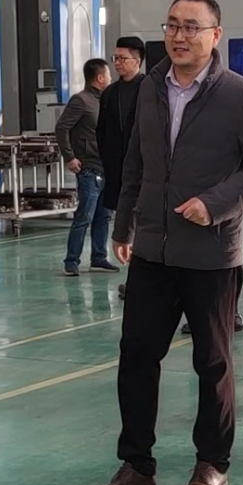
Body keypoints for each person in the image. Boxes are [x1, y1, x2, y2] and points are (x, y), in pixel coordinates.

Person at [88, 0, 243, 485]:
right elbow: (136, 162)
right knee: (137, 357)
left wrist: (215, 204)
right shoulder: (150, 89)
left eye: (191, 27)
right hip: (153, 250)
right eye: (172, 25)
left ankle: (212, 464)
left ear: (215, 35)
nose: (179, 35)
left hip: (211, 253)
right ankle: (137, 468)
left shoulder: (240, 96)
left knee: (212, 362)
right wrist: (124, 225)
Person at [56, 57, 116, 277]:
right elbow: (62, 128)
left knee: (103, 216)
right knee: (84, 216)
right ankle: (71, 261)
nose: (110, 78)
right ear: (100, 77)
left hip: (105, 167)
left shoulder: (105, 101)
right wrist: (70, 157)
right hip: (88, 168)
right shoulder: (81, 101)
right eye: (108, 75)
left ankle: (99, 258)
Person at [98, 37, 145, 297]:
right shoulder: (110, 93)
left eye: (123, 58)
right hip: (117, 169)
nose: (117, 63)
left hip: (145, 168)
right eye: (115, 58)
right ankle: (133, 278)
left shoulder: (150, 89)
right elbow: (102, 131)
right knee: (124, 222)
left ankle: (140, 279)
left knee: (142, 225)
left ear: (137, 61)